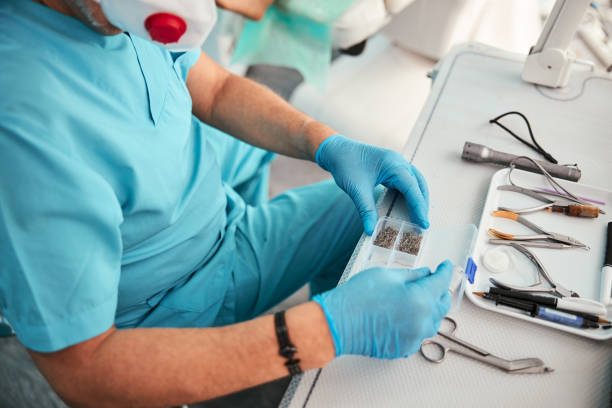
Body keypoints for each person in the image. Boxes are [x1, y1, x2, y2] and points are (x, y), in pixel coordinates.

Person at [0, 0, 453, 406]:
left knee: (377, 211)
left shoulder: (116, 12)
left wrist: (324, 142)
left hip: (230, 233)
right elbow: (85, 373)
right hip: (157, 329)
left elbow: (214, 89)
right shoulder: (25, 124)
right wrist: (326, 330)